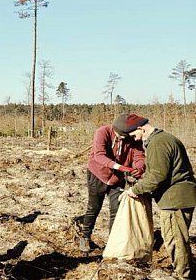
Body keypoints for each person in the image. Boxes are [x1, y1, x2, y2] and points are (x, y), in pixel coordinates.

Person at [125, 114, 196, 279]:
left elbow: (157, 175)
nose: (134, 139)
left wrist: (136, 189)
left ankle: (182, 275)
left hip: (175, 200)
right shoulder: (164, 138)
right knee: (178, 239)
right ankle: (182, 270)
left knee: (175, 240)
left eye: (134, 135)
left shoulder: (157, 143)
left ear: (141, 128)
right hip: (180, 196)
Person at [78, 114, 145, 252]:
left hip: (118, 179)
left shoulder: (132, 137)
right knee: (93, 207)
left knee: (117, 210)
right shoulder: (102, 132)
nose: (123, 139)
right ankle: (85, 237)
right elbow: (99, 155)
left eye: (125, 136)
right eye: (120, 136)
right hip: (98, 174)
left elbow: (139, 156)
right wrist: (119, 167)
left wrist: (139, 168)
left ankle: (112, 243)